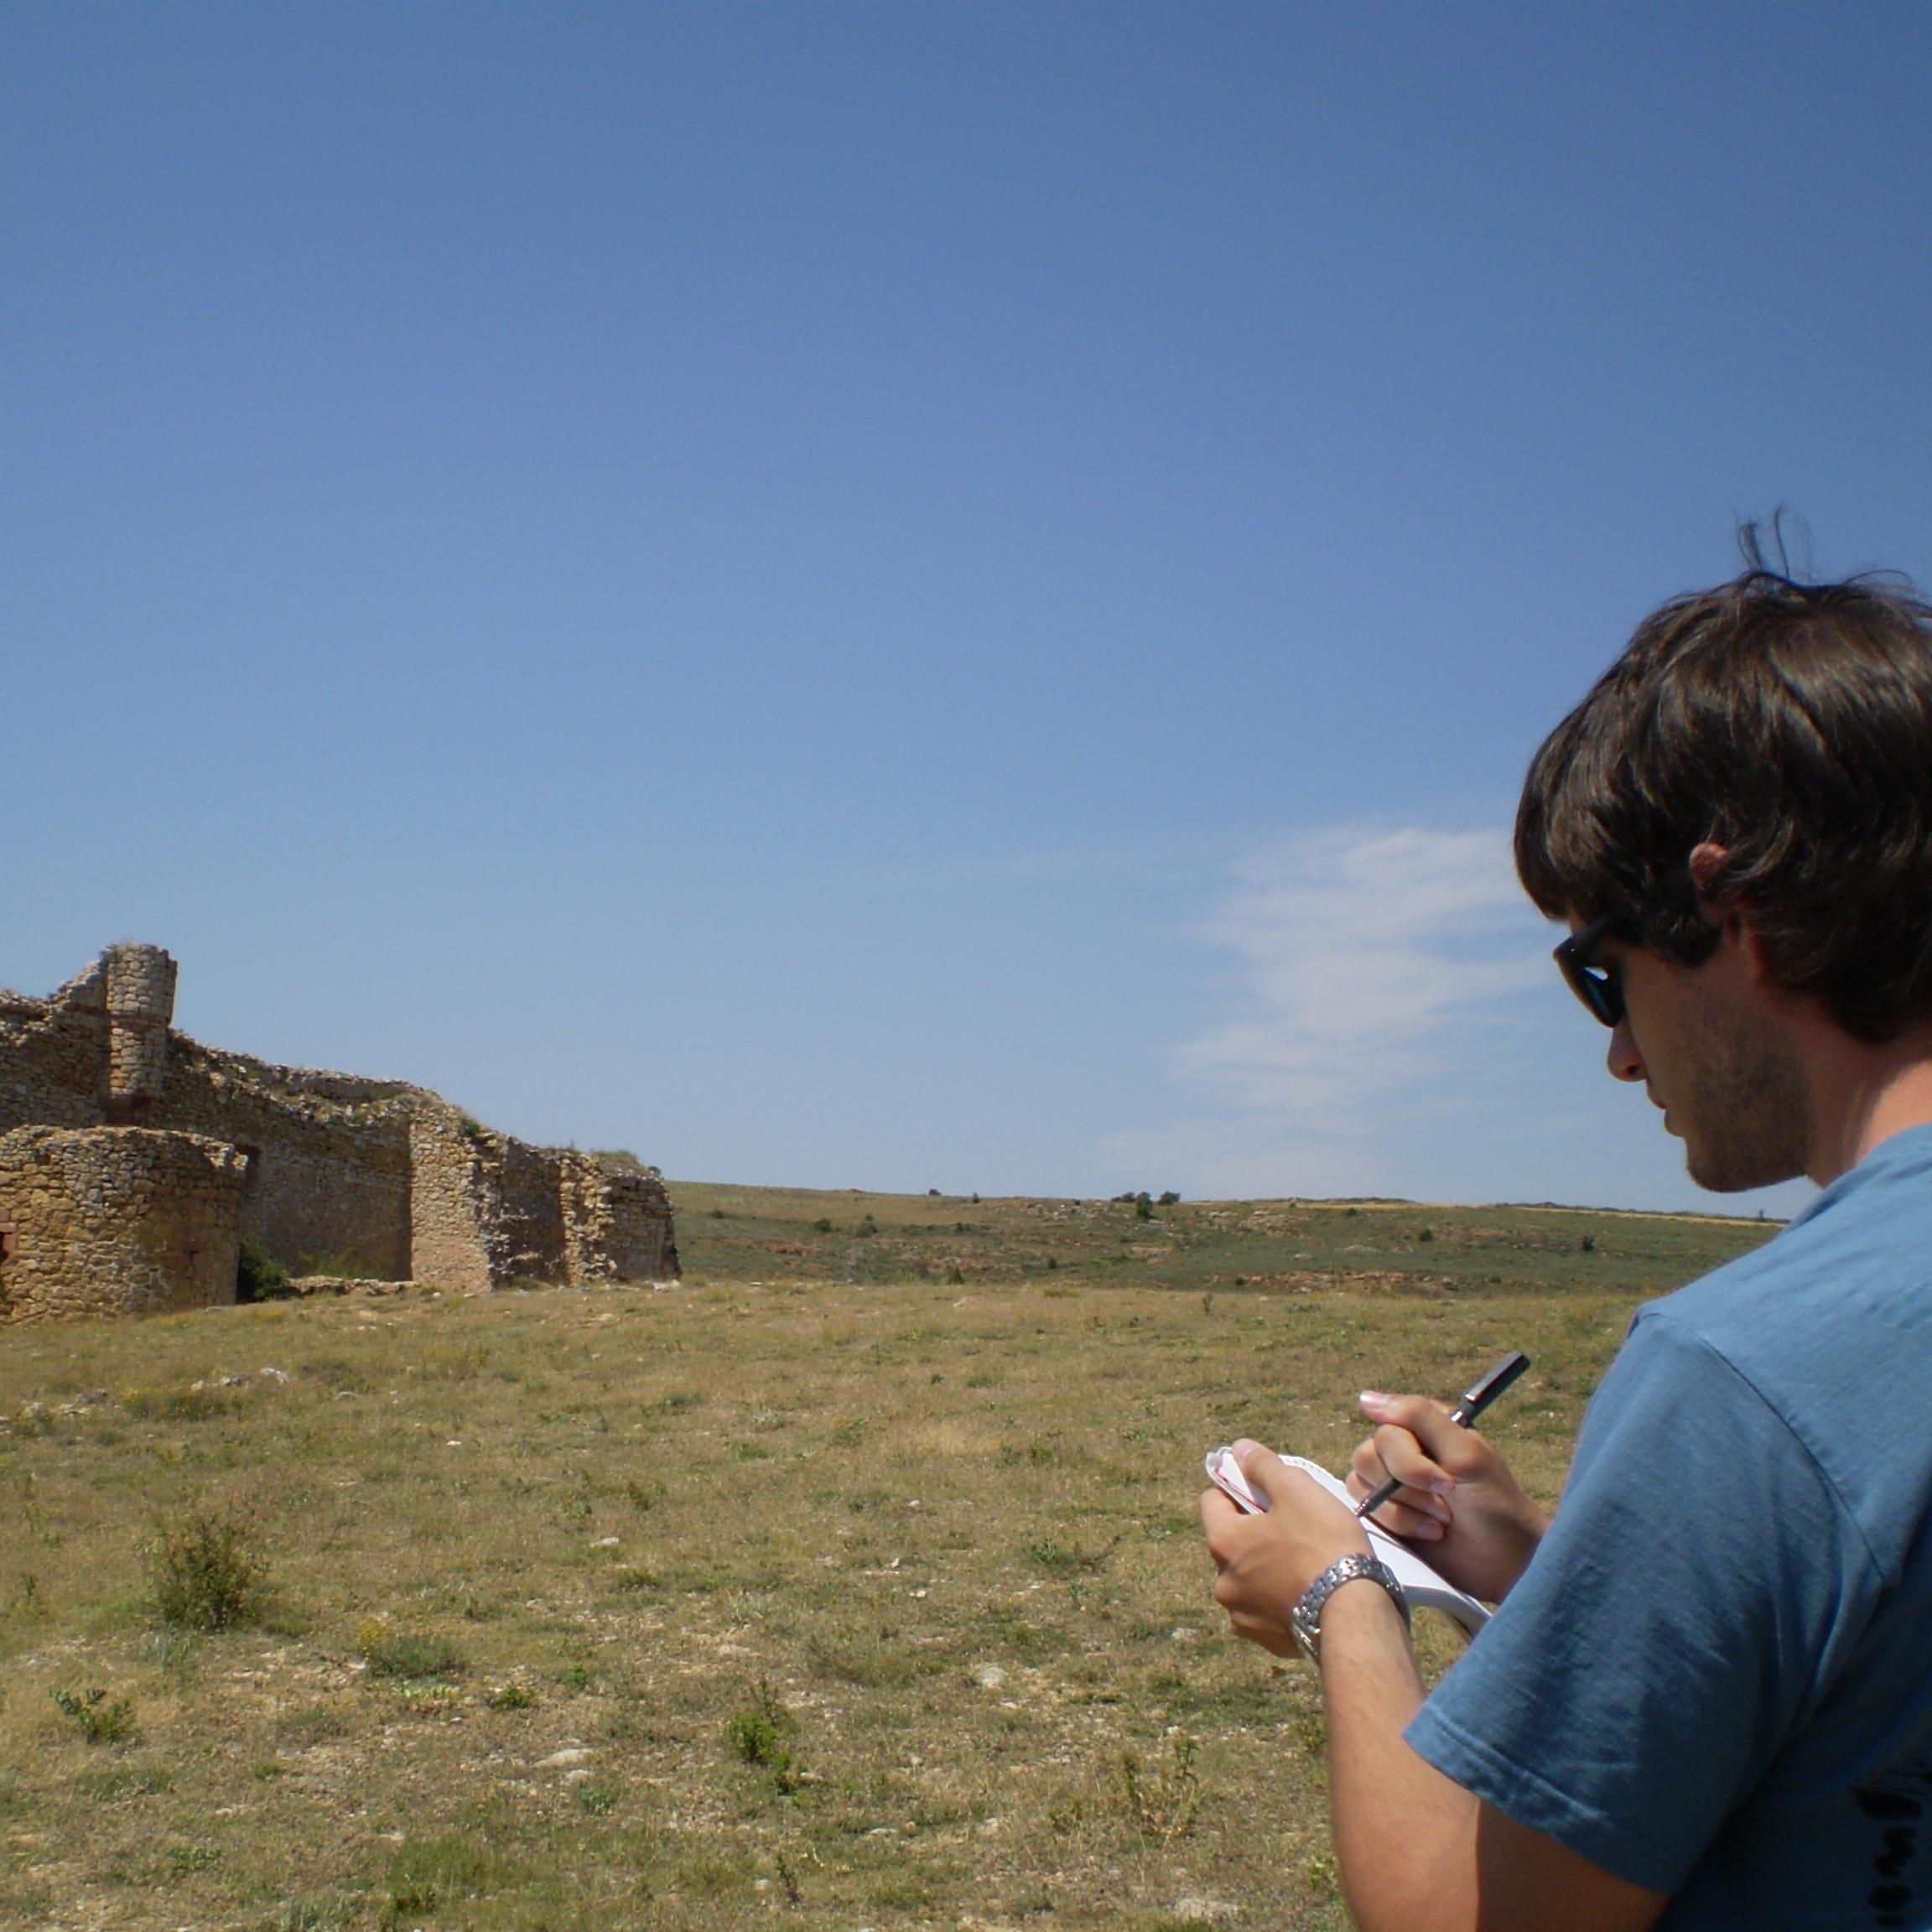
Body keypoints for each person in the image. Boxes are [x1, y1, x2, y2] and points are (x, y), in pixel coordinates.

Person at [1200, 544, 1932, 1932]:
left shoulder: (1749, 1380)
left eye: (1605, 972)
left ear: (1739, 914)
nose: (1616, 1055)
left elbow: (1457, 1913)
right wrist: (1552, 1576)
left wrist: (1341, 1601)